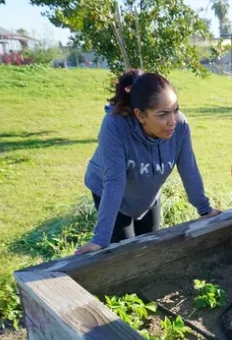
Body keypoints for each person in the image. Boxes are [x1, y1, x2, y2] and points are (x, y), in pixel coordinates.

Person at [75, 70, 220, 255]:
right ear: (141, 115)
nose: (172, 121)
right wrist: (100, 238)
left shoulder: (180, 126)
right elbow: (114, 181)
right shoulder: (114, 126)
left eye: (175, 109)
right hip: (112, 194)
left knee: (151, 249)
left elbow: (188, 168)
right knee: (125, 254)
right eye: (163, 114)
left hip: (148, 192)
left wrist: (205, 209)